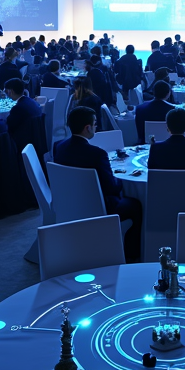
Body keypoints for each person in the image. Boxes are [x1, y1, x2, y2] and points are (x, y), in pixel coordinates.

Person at [53, 107, 142, 260]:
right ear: (87, 128)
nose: (96, 127)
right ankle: (131, 256)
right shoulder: (97, 154)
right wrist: (123, 178)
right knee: (136, 205)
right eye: (95, 124)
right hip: (99, 208)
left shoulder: (59, 147)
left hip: (69, 203)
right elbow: (112, 189)